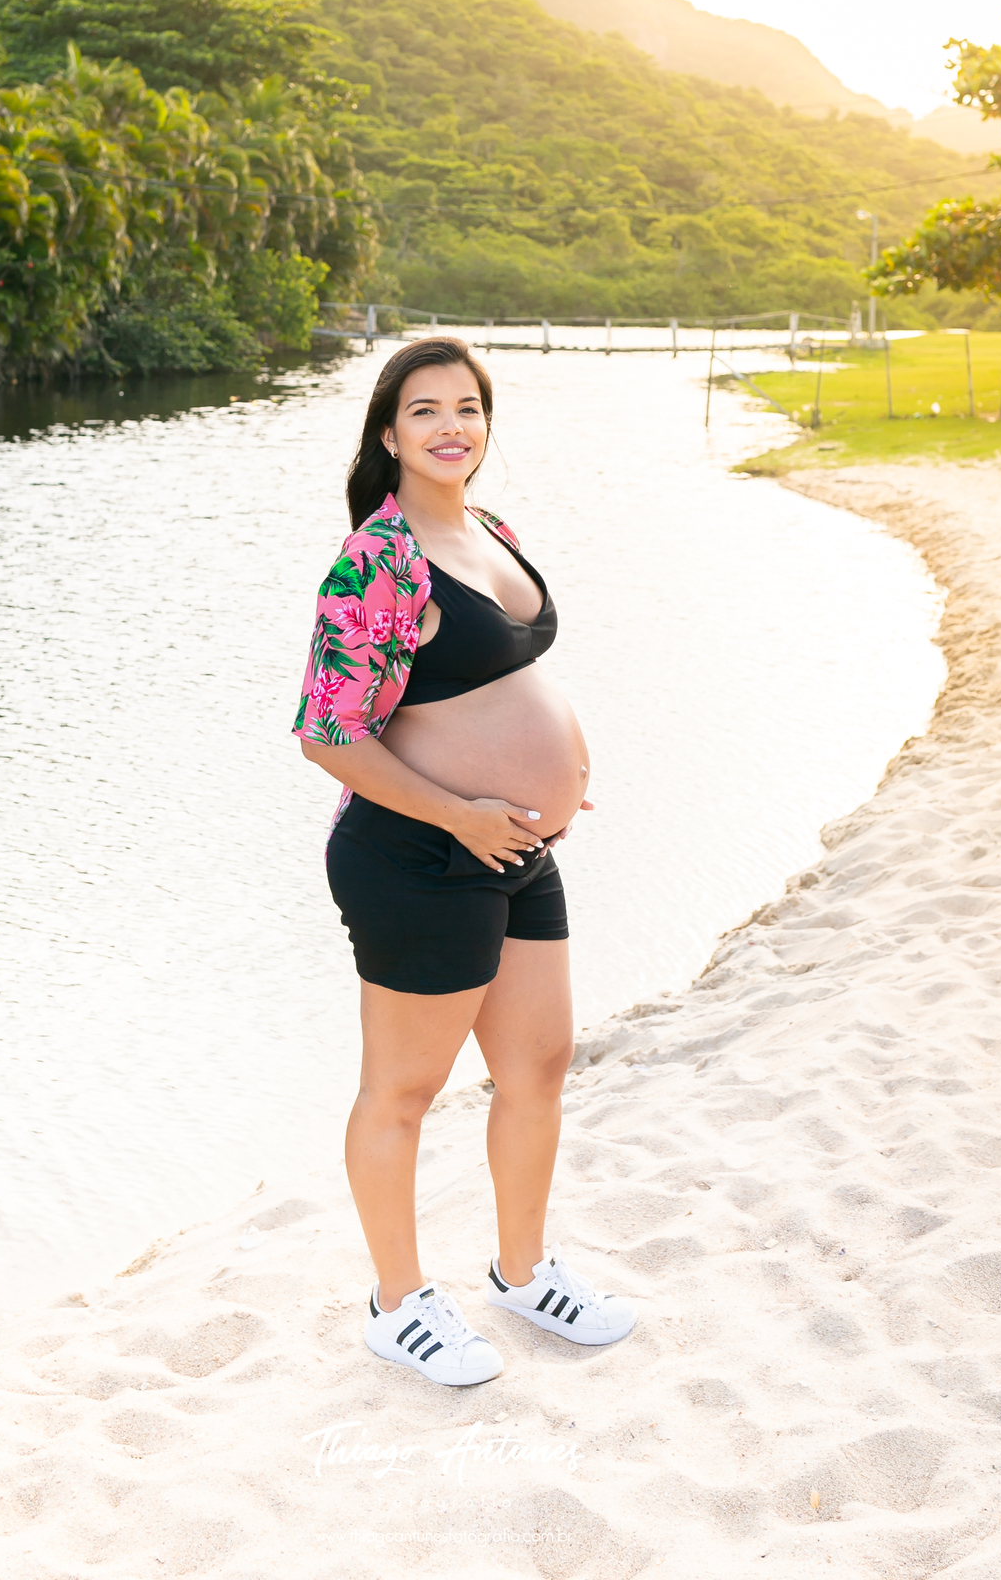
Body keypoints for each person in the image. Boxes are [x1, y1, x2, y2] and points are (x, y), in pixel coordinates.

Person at [293, 336, 637, 1385]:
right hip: (417, 856)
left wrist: (563, 769)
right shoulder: (377, 561)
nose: (452, 427)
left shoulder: (490, 530)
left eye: (470, 409)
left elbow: (505, 683)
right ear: (389, 434)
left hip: (518, 848)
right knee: (404, 1089)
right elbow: (326, 734)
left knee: (536, 1066)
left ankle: (524, 1271)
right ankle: (398, 1304)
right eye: (427, 410)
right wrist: (460, 814)